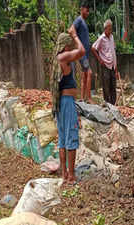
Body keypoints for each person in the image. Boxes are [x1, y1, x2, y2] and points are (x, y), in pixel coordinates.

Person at [54, 33, 85, 184]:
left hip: (62, 102)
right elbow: (82, 51)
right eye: (69, 46)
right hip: (66, 102)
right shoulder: (63, 58)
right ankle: (71, 176)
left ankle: (64, 173)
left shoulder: (58, 59)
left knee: (62, 139)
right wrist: (76, 36)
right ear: (66, 47)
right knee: (71, 137)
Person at [68, 0, 94, 104]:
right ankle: (89, 98)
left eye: (89, 11)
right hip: (82, 54)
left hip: (85, 54)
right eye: (87, 10)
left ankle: (83, 98)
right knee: (89, 73)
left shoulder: (83, 21)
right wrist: (77, 42)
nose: (88, 13)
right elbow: (71, 30)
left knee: (84, 75)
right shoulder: (78, 20)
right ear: (82, 9)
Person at [91, 19, 119, 105]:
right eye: (109, 29)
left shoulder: (112, 37)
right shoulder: (101, 38)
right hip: (105, 65)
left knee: (113, 86)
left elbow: (113, 51)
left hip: (112, 65)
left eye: (111, 29)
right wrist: (100, 60)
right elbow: (93, 48)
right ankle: (107, 104)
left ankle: (113, 104)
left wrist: (116, 67)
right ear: (105, 28)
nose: (110, 31)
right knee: (106, 86)